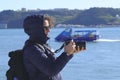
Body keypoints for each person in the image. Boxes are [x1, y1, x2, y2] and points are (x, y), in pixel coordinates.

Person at [23, 14, 82, 80]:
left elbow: (55, 66)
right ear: (36, 29)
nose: (49, 30)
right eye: (46, 28)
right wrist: (66, 54)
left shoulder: (42, 46)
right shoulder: (32, 49)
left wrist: (70, 52)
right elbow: (51, 70)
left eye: (49, 27)